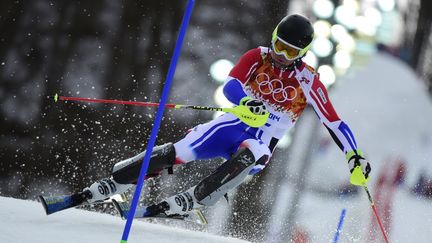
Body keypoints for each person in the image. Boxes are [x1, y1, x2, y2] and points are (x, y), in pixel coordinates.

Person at [73, 14, 372, 216]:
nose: (282, 56)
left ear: (303, 53)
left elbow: (334, 122)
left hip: (263, 140)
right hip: (232, 124)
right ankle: (118, 180)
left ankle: (196, 198)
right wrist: (246, 101)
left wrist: (354, 155)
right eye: (280, 45)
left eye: (291, 52)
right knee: (178, 152)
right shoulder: (258, 57)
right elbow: (231, 85)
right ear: (273, 38)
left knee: (252, 155)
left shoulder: (309, 80)